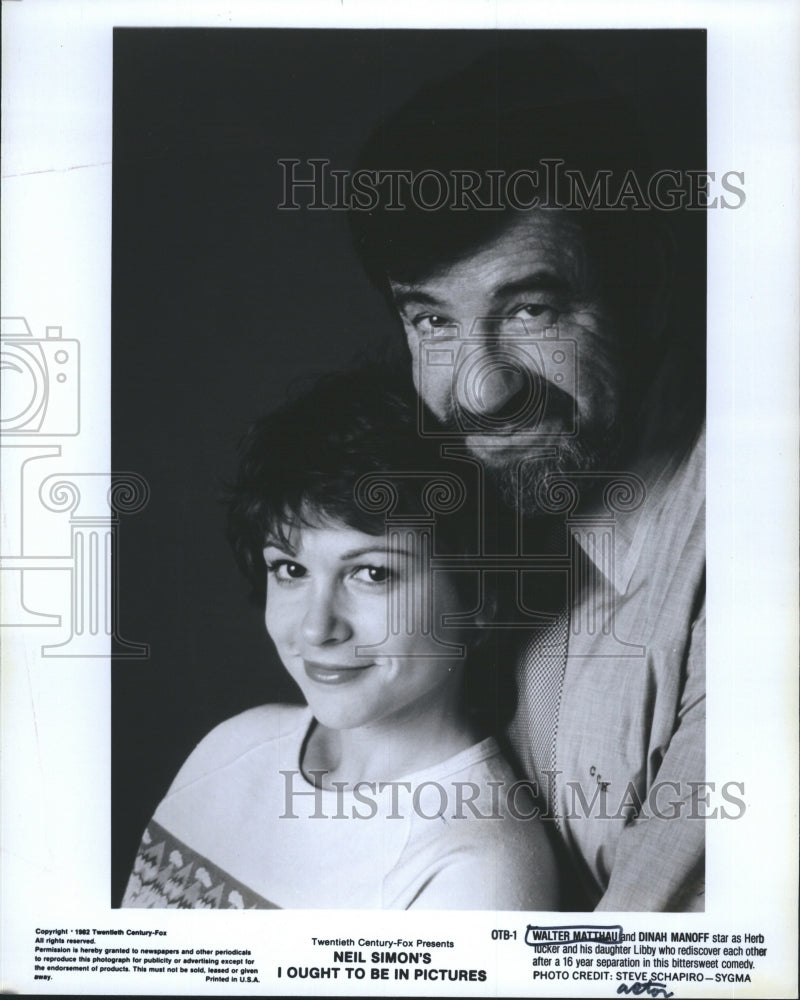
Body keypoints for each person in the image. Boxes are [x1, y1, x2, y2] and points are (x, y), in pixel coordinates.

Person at [349, 44, 706, 910]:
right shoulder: (461, 527)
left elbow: (659, 970)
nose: (483, 390)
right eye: (432, 319)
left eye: (530, 310)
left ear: (647, 288)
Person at [121, 365, 558, 910]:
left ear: (480, 599)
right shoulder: (233, 747)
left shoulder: (474, 871)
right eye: (290, 569)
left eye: (372, 573)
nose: (315, 627)